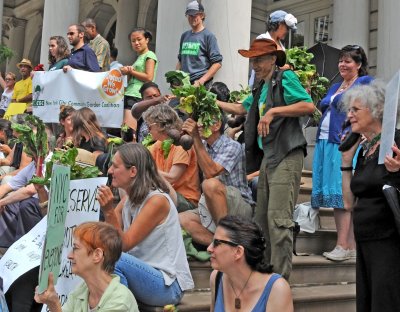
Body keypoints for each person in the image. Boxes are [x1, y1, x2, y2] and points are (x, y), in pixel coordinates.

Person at [217, 39, 314, 279]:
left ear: (272, 59)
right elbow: (240, 108)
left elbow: (308, 105)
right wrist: (211, 101)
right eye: (252, 60)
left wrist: (273, 112)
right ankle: (265, 274)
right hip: (268, 157)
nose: (254, 65)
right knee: (261, 219)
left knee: (279, 220)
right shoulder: (260, 87)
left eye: (259, 59)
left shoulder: (285, 78)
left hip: (287, 153)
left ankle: (280, 281)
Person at [96, 143, 194, 306]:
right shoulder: (130, 197)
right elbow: (112, 228)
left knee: (115, 259)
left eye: (114, 165)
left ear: (133, 171)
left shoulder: (157, 201)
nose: (110, 171)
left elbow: (123, 245)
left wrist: (108, 211)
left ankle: (121, 308)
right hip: (146, 276)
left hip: (168, 285)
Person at [341, 80, 400, 311]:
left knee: (386, 303)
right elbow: (348, 203)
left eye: (355, 109)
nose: (350, 115)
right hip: (365, 242)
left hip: (389, 242)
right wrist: (346, 163)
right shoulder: (366, 150)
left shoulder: (395, 142)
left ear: (377, 110)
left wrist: (397, 173)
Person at [311, 44, 373, 261]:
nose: (342, 64)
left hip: (346, 143)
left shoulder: (364, 82)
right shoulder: (335, 85)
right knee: (337, 192)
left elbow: (375, 106)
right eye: (341, 60)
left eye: (348, 61)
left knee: (343, 192)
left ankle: (343, 245)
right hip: (326, 142)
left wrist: (366, 131)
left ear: (358, 64)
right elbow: (323, 109)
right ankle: (351, 246)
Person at [179, 114, 254, 246]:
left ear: (217, 125)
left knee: (209, 184)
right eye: (196, 122)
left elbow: (211, 172)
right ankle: (223, 246)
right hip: (211, 203)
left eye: (202, 121)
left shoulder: (232, 145)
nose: (198, 126)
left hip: (240, 205)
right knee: (182, 219)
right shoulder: (201, 144)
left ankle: (224, 236)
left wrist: (195, 137)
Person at [35, 221, 139, 311]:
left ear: (97, 255)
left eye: (76, 248)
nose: (69, 255)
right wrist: (52, 303)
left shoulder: (120, 300)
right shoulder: (83, 290)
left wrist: (54, 303)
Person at [209, 215, 293, 312]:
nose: (209, 249)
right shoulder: (216, 278)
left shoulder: (277, 289)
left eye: (216, 243)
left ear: (238, 252)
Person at [143, 104, 200, 212]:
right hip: (164, 194)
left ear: (160, 125)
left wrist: (145, 169)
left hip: (186, 200)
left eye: (149, 126)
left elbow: (172, 177)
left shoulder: (182, 144)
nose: (148, 130)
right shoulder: (157, 145)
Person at [177, 0, 223, 88]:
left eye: (195, 15)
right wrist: (175, 77)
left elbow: (217, 63)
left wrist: (201, 81)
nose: (192, 18)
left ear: (202, 15)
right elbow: (180, 60)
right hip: (184, 83)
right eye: (189, 15)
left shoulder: (209, 36)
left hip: (201, 84)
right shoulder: (184, 36)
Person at [120, 28, 157, 132]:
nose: (136, 43)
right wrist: (127, 72)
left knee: (128, 131)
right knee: (128, 129)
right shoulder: (139, 57)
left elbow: (149, 77)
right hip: (131, 93)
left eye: (139, 39)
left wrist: (131, 72)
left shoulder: (150, 55)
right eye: (133, 41)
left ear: (147, 39)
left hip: (136, 95)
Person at [249, 10, 298, 86]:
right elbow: (262, 63)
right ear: (280, 24)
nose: (287, 31)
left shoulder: (282, 46)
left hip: (274, 86)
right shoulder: (262, 39)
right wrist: (284, 67)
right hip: (261, 84)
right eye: (287, 28)